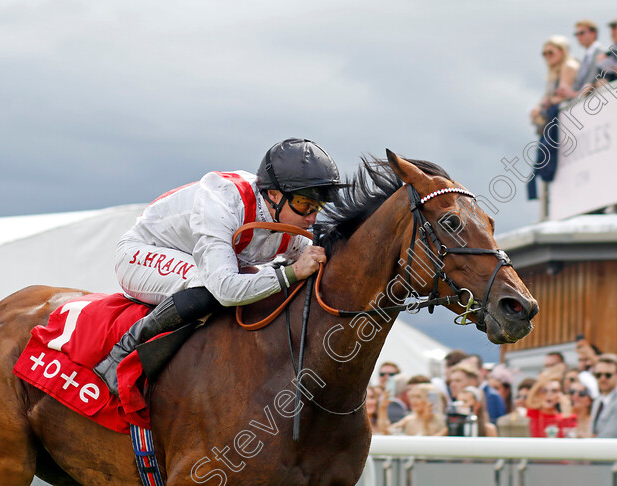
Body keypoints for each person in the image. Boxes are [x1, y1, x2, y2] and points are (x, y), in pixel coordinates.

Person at [93, 138, 344, 394]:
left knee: (260, 291)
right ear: (274, 194)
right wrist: (292, 272)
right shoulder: (222, 202)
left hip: (199, 258)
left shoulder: (287, 219)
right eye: (304, 204)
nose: (312, 218)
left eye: (318, 207)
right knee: (209, 287)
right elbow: (224, 288)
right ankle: (122, 352)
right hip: (140, 253)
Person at [527, 35, 579, 201]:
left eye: (551, 52)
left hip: (562, 123)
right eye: (544, 54)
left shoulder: (568, 67)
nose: (547, 56)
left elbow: (561, 96)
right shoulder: (555, 73)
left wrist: (544, 105)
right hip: (555, 123)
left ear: (562, 51)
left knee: (546, 156)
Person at [525, 364, 577, 438]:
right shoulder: (532, 413)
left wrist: (566, 415)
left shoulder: (564, 417)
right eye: (544, 390)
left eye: (554, 391)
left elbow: (569, 439)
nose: (549, 394)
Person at [378, 384, 448, 436]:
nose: (413, 401)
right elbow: (386, 431)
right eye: (412, 397)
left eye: (418, 397)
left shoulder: (443, 424)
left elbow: (429, 446)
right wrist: (383, 409)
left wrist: (426, 421)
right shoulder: (409, 420)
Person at [559, 20, 605, 97]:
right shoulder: (586, 57)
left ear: (594, 33)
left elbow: (593, 80)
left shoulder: (602, 53)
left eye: (582, 33)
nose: (579, 37)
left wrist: (574, 94)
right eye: (576, 34)